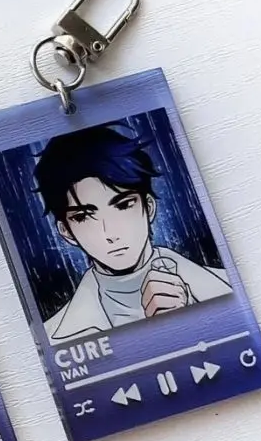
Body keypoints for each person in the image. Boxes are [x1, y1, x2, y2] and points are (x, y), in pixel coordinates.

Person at [33, 124, 232, 341]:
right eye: (83, 216)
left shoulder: (225, 285)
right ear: (67, 232)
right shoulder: (52, 335)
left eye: (124, 205)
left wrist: (192, 318)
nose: (111, 233)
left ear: (149, 207)